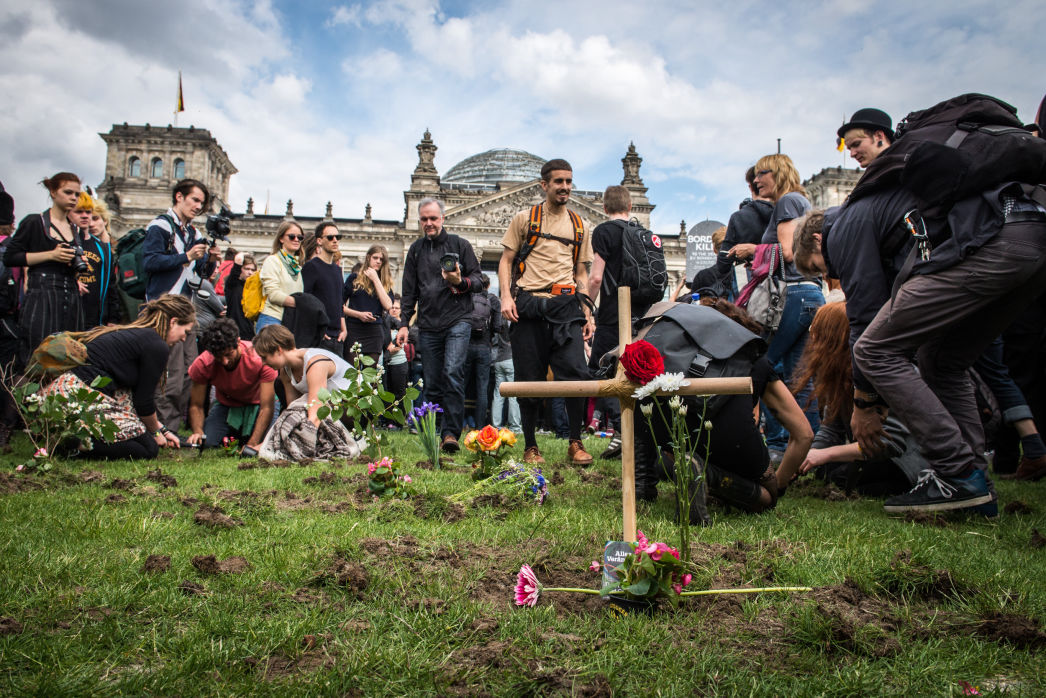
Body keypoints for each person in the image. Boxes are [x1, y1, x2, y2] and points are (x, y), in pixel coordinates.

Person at [793, 173, 1046, 514]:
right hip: (1029, 233)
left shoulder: (846, 227)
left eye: (816, 268)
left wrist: (866, 403)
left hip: (992, 240)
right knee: (942, 360)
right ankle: (973, 485)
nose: (826, 278)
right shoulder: (879, 220)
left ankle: (957, 474)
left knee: (872, 349)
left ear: (820, 241)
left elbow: (865, 317)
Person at [634, 299, 813, 513]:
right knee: (766, 498)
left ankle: (680, 477)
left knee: (674, 450)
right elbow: (804, 434)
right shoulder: (754, 359)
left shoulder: (672, 354)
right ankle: (709, 476)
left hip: (673, 434)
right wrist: (778, 486)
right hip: (732, 437)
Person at [499, 159, 595, 466]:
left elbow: (581, 272)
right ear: (545, 185)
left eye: (569, 181)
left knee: (577, 375)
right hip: (528, 306)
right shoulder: (524, 219)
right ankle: (530, 446)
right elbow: (506, 261)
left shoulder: (580, 225)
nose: (565, 187)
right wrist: (505, 297)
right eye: (558, 182)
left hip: (566, 307)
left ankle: (575, 442)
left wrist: (586, 312)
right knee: (529, 378)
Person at [728, 154, 822, 457]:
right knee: (799, 377)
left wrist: (751, 249)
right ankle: (810, 448)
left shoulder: (786, 202)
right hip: (810, 295)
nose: (756, 181)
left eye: (761, 174)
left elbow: (788, 252)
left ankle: (780, 445)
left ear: (778, 172)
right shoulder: (800, 201)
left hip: (791, 295)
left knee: (760, 365)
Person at [792, 302, 922, 495]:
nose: (812, 338)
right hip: (871, 458)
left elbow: (890, 444)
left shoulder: (886, 375)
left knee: (843, 476)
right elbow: (830, 430)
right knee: (826, 471)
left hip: (905, 460)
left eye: (817, 332)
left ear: (834, 338)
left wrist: (824, 454)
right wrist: (804, 456)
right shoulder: (835, 375)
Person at [46, 295, 196, 460]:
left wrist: (163, 431)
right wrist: (155, 433)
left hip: (61, 395)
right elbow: (143, 403)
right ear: (173, 322)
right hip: (78, 397)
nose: (183, 338)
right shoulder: (157, 345)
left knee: (142, 435)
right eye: (185, 332)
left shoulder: (137, 335)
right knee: (148, 448)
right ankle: (76, 445)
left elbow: (133, 400)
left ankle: (70, 439)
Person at [397, 198, 483, 452]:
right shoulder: (415, 250)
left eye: (433, 218)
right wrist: (403, 323)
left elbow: (479, 281)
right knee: (432, 381)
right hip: (428, 324)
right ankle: (431, 431)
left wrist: (460, 281)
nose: (429, 223)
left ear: (443, 218)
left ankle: (450, 434)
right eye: (424, 219)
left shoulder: (460, 244)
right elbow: (409, 290)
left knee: (453, 373)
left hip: (458, 320)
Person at [141, 178, 218, 431]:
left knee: (189, 371)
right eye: (195, 200)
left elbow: (200, 274)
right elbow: (149, 263)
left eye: (201, 203)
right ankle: (164, 428)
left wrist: (210, 261)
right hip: (164, 309)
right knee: (169, 373)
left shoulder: (194, 233)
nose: (198, 206)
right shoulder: (161, 226)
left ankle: (174, 424)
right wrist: (185, 256)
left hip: (187, 308)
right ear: (178, 197)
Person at [586, 184, 647, 459]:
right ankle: (634, 436)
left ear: (604, 207)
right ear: (631, 207)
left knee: (599, 371)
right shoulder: (643, 233)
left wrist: (587, 308)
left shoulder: (604, 231)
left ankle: (625, 432)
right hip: (643, 316)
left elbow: (596, 277)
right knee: (635, 374)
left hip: (613, 315)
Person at [3, 172, 86, 365]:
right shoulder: (35, 222)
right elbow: (10, 257)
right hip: (42, 293)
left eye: (77, 194)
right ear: (53, 192)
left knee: (68, 356)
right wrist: (50, 255)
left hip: (70, 295)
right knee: (37, 353)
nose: (73, 198)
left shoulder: (74, 229)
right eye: (68, 192)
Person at [252, 324, 361, 461]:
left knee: (308, 403)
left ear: (279, 350)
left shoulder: (315, 362)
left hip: (355, 410)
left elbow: (316, 411)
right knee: (291, 399)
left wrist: (300, 446)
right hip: (331, 409)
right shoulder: (285, 371)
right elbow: (294, 410)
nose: (262, 363)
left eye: (265, 357)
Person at [186, 319, 277, 453]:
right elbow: (196, 405)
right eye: (218, 357)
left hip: (260, 405)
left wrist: (252, 444)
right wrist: (198, 432)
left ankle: (244, 436)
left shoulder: (260, 359)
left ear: (238, 342)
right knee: (207, 443)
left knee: (265, 444)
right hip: (227, 404)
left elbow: (267, 407)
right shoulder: (203, 364)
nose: (224, 361)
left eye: (229, 354)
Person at [344, 244, 395, 365]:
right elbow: (339, 306)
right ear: (368, 258)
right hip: (354, 328)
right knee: (352, 373)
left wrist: (376, 279)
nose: (378, 261)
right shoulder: (354, 278)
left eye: (381, 259)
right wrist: (358, 314)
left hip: (374, 330)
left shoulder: (385, 283)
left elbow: (388, 305)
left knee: (370, 376)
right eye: (375, 258)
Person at [303, 222, 347, 355]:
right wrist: (316, 330)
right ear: (319, 241)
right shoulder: (311, 267)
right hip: (320, 336)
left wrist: (344, 329)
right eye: (330, 237)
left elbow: (339, 304)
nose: (335, 240)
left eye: (337, 237)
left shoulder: (337, 270)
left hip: (337, 337)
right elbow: (305, 302)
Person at [77, 196, 122, 328]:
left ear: (105, 220)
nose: (91, 224)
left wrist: (113, 317)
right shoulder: (76, 242)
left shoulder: (107, 249)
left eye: (95, 218)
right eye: (89, 219)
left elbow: (111, 285)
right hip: (78, 311)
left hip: (98, 316)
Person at [463, 274, 500, 428]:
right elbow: (497, 327)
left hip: (466, 346)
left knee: (461, 387)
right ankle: (479, 427)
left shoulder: (467, 298)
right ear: (488, 285)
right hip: (484, 347)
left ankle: (457, 423)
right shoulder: (493, 300)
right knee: (482, 389)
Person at [257, 221, 305, 332]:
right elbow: (273, 295)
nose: (296, 240)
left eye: (300, 237)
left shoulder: (297, 266)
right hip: (272, 320)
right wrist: (303, 304)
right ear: (281, 238)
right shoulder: (272, 260)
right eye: (292, 236)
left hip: (290, 321)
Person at [224, 252, 256, 340]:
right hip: (233, 332)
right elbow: (235, 272)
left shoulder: (253, 288)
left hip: (249, 332)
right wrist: (240, 258)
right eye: (246, 269)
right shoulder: (233, 284)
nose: (250, 272)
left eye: (253, 270)